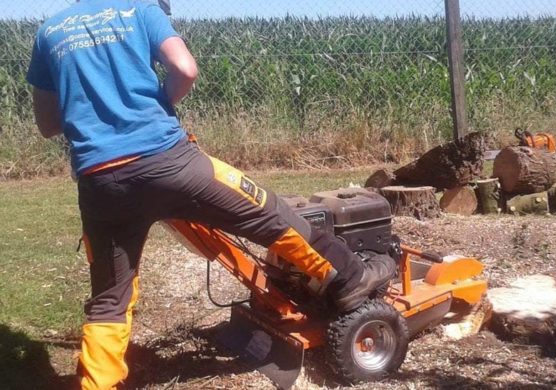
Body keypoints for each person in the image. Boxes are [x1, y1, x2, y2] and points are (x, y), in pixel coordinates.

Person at [26, 1, 396, 389]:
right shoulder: (138, 9)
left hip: (101, 183)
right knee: (269, 214)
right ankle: (349, 277)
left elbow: (48, 124)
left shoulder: (49, 31)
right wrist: (157, 104)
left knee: (109, 298)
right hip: (170, 161)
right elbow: (185, 69)